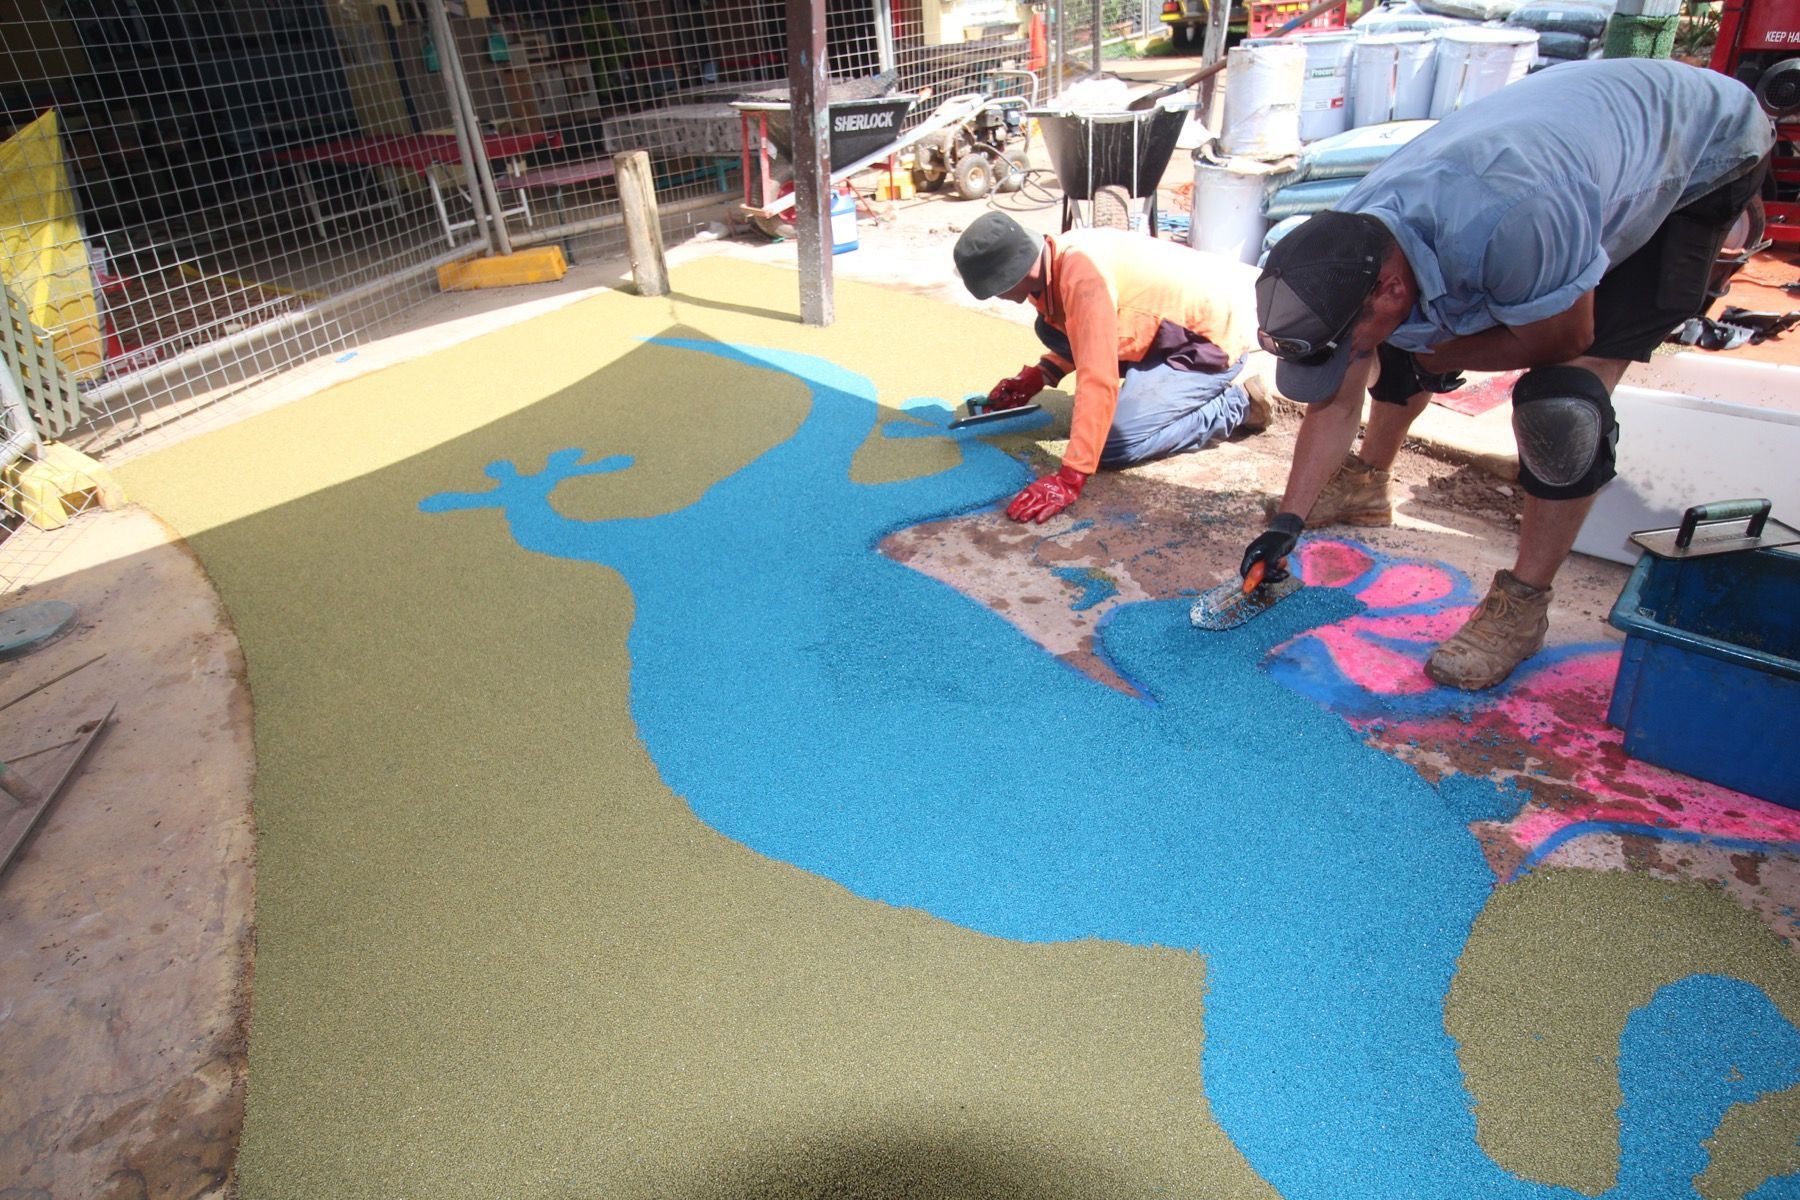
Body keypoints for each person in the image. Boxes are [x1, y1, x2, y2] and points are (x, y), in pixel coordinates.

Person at [1242, 58, 1773, 690]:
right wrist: (1286, 525)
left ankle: (1523, 605)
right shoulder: (1351, 241)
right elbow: (1341, 387)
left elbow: (1565, 336)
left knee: (1561, 408)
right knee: (1412, 331)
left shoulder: (1517, 219)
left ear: (1387, 285)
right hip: (1570, 153)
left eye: (1344, 340)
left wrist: (1446, 355)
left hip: (1698, 155)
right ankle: (1365, 482)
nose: (1345, 351)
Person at [952, 212, 1273, 524]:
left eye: (994, 288)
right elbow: (1086, 330)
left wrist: (1070, 478)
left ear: (1011, 275)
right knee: (1048, 328)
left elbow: (1098, 377)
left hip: (1205, 346)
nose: (995, 295)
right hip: (1158, 333)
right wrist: (1041, 374)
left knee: (1111, 446)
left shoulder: (1084, 276)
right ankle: (1156, 391)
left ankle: (1237, 405)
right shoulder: (1053, 259)